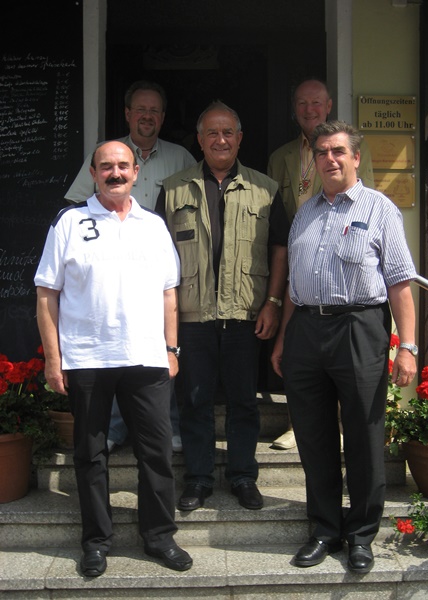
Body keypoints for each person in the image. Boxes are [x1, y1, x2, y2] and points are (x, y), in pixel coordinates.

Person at [35, 141, 192, 577]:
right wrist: (53, 359)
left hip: (146, 357)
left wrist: (171, 349)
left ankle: (159, 536)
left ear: (137, 172)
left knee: (156, 453)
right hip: (86, 358)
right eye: (107, 167)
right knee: (90, 454)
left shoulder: (154, 226)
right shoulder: (69, 222)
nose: (116, 173)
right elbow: (47, 293)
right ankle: (96, 542)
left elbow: (168, 293)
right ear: (94, 172)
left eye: (123, 165)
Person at [271, 120, 417, 573]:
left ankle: (361, 535)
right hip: (306, 332)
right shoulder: (305, 213)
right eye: (321, 152)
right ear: (313, 161)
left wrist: (408, 347)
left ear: (356, 157)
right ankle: (324, 530)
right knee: (313, 438)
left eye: (338, 151)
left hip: (360, 327)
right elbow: (296, 284)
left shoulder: (380, 209)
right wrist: (283, 340)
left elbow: (399, 282)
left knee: (363, 436)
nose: (329, 159)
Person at [155, 101, 290, 512]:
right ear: (199, 140)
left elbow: (280, 250)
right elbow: (157, 255)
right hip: (191, 316)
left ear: (239, 138)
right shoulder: (174, 188)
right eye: (211, 133)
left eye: (227, 132)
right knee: (193, 400)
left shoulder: (265, 189)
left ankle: (243, 476)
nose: (220, 140)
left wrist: (272, 303)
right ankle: (197, 480)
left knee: (243, 400)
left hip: (245, 315)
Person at [65, 80, 196, 454]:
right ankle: (117, 428)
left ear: (163, 117)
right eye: (140, 109)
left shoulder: (181, 158)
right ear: (127, 114)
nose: (147, 117)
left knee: (158, 351)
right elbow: (74, 205)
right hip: (108, 272)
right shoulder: (107, 155)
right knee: (117, 350)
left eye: (154, 110)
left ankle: (166, 426)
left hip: (160, 269)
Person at [268, 77, 375, 450]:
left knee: (346, 362)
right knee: (299, 353)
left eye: (316, 103)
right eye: (302, 104)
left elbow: (368, 205)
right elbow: (276, 218)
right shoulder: (281, 156)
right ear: (294, 109)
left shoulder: (351, 150)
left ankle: (346, 425)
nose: (309, 110)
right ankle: (298, 425)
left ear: (329, 105)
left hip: (344, 269)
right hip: (301, 265)